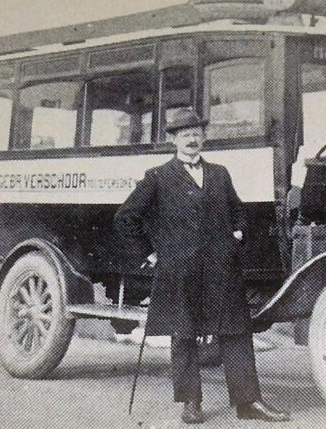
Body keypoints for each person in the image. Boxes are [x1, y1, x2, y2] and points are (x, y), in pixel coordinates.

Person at [114, 108, 289, 424]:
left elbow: (239, 211)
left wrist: (236, 234)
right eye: (184, 134)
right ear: (174, 140)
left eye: (196, 133)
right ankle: (191, 401)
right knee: (184, 334)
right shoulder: (157, 177)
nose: (192, 139)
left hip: (222, 270)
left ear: (204, 137)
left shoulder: (220, 174)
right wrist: (152, 255)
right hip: (180, 271)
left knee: (236, 332)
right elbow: (126, 218)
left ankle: (249, 402)